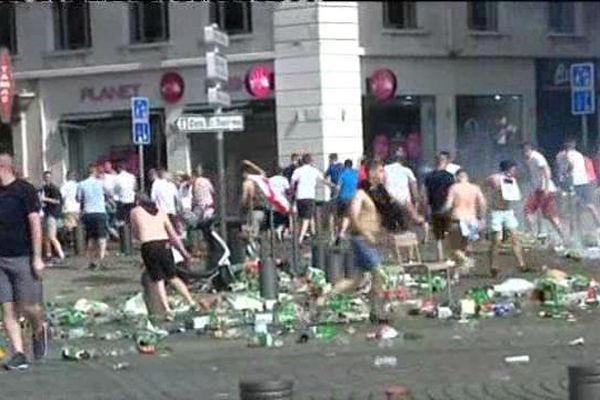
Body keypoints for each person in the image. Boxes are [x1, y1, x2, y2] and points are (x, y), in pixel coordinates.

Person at [317, 160, 389, 322]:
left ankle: (323, 298)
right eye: (381, 171)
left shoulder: (377, 194)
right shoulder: (360, 194)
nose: (384, 175)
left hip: (369, 240)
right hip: (361, 239)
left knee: (355, 279)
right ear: (371, 173)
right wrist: (367, 233)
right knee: (379, 274)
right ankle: (377, 311)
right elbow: (353, 216)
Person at [0, 153, 47, 370]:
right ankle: (19, 353)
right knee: (7, 309)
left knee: (29, 307)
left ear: (3, 167)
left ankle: (39, 328)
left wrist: (37, 257)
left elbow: (35, 224)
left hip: (23, 257)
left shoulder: (24, 190)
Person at [130, 193, 199, 320]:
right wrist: (184, 252)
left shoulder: (135, 211)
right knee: (172, 276)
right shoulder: (161, 212)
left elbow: (135, 232)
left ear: (138, 202)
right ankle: (191, 301)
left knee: (158, 279)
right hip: (164, 244)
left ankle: (167, 310)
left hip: (149, 245)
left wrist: (138, 243)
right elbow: (173, 234)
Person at [486, 160, 527, 277]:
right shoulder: (495, 178)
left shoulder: (512, 180)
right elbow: (485, 183)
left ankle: (521, 264)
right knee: (496, 240)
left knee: (515, 236)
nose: (515, 171)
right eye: (513, 169)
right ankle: (494, 266)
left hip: (508, 211)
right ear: (508, 169)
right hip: (496, 212)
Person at [521, 142, 566, 245]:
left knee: (548, 214)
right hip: (537, 190)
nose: (524, 153)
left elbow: (547, 171)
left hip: (545, 190)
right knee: (529, 211)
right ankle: (533, 235)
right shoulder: (528, 159)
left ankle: (563, 236)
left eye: (525, 151)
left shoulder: (537, 157)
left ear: (529, 149)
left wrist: (545, 187)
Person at [443, 169, 486, 272]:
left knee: (452, 247)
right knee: (464, 247)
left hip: (458, 220)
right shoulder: (475, 188)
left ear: (457, 177)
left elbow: (448, 205)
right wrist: (482, 218)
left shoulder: (454, 188)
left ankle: (467, 260)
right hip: (472, 221)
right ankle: (457, 274)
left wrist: (441, 213)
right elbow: (483, 203)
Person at [556, 138, 600, 231]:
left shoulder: (566, 155)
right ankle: (597, 225)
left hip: (574, 184)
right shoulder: (580, 155)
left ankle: (575, 232)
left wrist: (564, 176)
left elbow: (569, 167)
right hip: (584, 182)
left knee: (573, 209)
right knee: (588, 206)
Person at [291, 153, 330, 245]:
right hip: (309, 196)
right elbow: (323, 180)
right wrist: (332, 185)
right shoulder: (314, 170)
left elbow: (292, 182)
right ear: (311, 161)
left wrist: (292, 191)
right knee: (306, 218)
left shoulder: (298, 170)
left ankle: (299, 235)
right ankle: (300, 238)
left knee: (300, 218)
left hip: (299, 196)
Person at [423, 153, 456, 261]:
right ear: (446, 162)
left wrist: (425, 208)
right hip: (447, 208)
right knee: (448, 233)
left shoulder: (429, 176)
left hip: (434, 208)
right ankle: (449, 257)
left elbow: (424, 194)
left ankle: (440, 257)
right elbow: (454, 193)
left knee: (438, 236)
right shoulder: (450, 177)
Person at [77, 164, 109, 270]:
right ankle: (101, 260)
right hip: (100, 212)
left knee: (91, 238)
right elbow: (109, 193)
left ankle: (91, 260)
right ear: (95, 172)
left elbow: (78, 198)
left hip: (88, 212)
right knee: (101, 238)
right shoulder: (101, 183)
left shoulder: (81, 184)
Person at [41, 171, 65, 262]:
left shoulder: (54, 188)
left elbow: (58, 201)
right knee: (46, 236)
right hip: (46, 213)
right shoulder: (43, 188)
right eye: (46, 177)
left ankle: (61, 253)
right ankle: (48, 254)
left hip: (52, 214)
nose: (47, 179)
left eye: (49, 177)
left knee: (51, 235)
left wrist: (46, 199)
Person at [336, 159, 359, 242]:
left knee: (340, 216)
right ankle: (342, 232)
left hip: (342, 198)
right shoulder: (356, 174)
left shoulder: (342, 174)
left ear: (345, 166)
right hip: (352, 198)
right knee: (347, 217)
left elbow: (338, 187)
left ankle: (339, 232)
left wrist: (336, 193)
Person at [269, 166, 291, 241]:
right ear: (281, 173)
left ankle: (276, 229)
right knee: (285, 217)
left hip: (273, 201)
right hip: (282, 201)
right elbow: (288, 191)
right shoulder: (284, 180)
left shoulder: (270, 180)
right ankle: (280, 229)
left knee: (275, 217)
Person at [61, 170, 80, 251]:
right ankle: (77, 243)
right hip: (77, 208)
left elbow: (61, 196)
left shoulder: (65, 185)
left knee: (69, 227)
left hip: (68, 208)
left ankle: (71, 242)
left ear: (67, 176)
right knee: (76, 226)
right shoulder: (78, 185)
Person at [100, 161, 119, 241]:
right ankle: (112, 234)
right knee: (107, 218)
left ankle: (115, 234)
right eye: (105, 166)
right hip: (107, 200)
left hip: (115, 199)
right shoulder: (102, 176)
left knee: (114, 218)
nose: (107, 167)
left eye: (108, 166)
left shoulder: (115, 176)